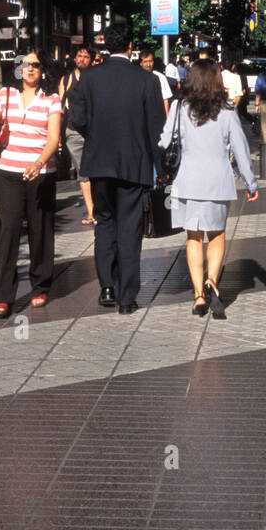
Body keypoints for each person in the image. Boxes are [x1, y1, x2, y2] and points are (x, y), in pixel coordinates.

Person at [70, 19, 166, 314]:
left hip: (99, 163)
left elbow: (77, 120)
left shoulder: (87, 78)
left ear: (105, 46)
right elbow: (156, 130)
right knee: (129, 228)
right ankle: (127, 298)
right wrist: (160, 167)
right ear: (131, 47)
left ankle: (107, 286)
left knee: (104, 223)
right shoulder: (147, 80)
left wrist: (97, 138)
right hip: (134, 165)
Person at [159, 59, 259, 317]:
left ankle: (198, 296)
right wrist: (251, 182)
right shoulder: (226, 111)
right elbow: (240, 149)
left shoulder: (180, 108)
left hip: (187, 181)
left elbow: (164, 141)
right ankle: (212, 280)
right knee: (217, 235)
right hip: (218, 181)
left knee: (193, 237)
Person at [0, 51, 63, 317]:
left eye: (35, 65)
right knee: (9, 231)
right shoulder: (5, 94)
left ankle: (40, 286)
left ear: (43, 71)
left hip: (40, 174)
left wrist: (39, 163)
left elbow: (53, 137)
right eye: (25, 64)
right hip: (9, 172)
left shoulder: (52, 100)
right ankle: (3, 296)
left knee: (40, 230)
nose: (29, 69)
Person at [59, 43, 96, 225]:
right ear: (74, 59)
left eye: (86, 56)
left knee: (96, 170)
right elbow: (59, 108)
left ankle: (99, 208)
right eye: (79, 56)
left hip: (94, 131)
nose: (82, 59)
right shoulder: (66, 79)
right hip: (73, 131)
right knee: (83, 172)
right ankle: (91, 211)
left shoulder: (96, 78)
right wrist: (58, 135)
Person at [139, 47, 172, 117]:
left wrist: (167, 119)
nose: (148, 64)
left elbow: (165, 101)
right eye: (145, 62)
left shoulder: (161, 77)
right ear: (141, 63)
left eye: (150, 61)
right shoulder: (135, 77)